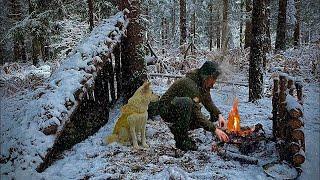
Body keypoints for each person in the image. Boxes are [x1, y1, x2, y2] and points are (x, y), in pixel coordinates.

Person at [158, 61, 229, 151]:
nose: (214, 82)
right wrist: (214, 129)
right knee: (188, 103)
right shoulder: (189, 84)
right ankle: (181, 140)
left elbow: (207, 101)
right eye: (213, 78)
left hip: (178, 108)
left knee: (206, 117)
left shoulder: (202, 83)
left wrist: (219, 115)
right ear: (207, 77)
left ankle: (178, 127)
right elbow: (195, 112)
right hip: (167, 110)